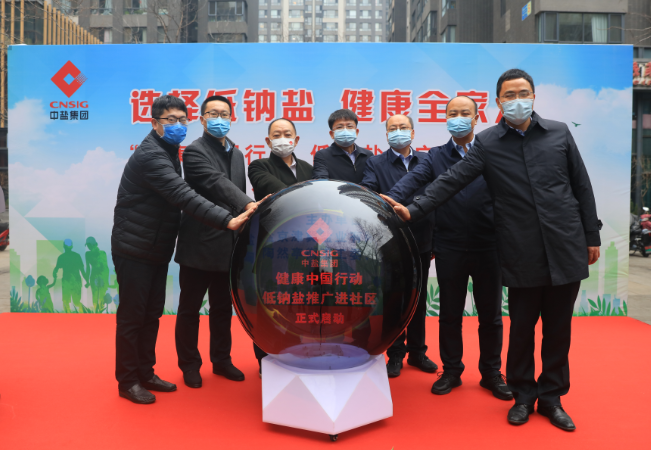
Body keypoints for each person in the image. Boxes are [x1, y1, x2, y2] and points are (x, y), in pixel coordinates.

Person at [382, 69, 601, 432]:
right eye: (509, 95)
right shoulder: (488, 143)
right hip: (519, 250)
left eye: (523, 93)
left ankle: (552, 398)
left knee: (558, 331)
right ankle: (523, 396)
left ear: (534, 95)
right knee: (522, 329)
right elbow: (450, 181)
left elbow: (582, 185)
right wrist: (412, 210)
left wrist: (591, 235)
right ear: (498, 102)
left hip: (565, 245)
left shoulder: (559, 132)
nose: (518, 100)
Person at [112, 94, 257, 405]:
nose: (177, 125)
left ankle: (145, 372)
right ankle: (127, 381)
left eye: (181, 120)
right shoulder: (154, 155)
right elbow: (183, 194)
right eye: (170, 120)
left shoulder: (169, 151)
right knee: (133, 317)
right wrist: (228, 220)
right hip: (135, 246)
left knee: (151, 315)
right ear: (154, 123)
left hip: (155, 246)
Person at [384, 98, 509, 399]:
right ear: (445, 118)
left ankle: (491, 372)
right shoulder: (436, 156)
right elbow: (411, 180)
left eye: (465, 113)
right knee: (449, 313)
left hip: (488, 244)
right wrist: (386, 200)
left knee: (490, 315)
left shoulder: (492, 151)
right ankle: (452, 370)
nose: (458, 118)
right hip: (450, 245)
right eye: (453, 113)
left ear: (476, 118)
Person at [175, 95, 265, 389]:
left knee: (223, 307)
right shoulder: (194, 151)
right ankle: (190, 364)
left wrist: (246, 212)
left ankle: (222, 360)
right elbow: (216, 183)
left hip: (228, 244)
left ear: (231, 118)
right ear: (202, 119)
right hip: (198, 243)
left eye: (224, 114)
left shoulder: (237, 154)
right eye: (213, 114)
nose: (219, 119)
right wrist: (249, 204)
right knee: (190, 309)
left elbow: (234, 189)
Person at [360, 114, 438, 378]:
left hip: (423, 237)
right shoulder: (375, 163)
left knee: (419, 299)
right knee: (394, 299)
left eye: (403, 127)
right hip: (390, 240)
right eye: (392, 128)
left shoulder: (427, 160)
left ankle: (418, 352)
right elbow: (368, 193)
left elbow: (438, 194)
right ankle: (395, 354)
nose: (398, 132)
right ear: (386, 135)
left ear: (413, 133)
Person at [248, 118, 313, 374]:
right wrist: (307, 195)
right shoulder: (258, 166)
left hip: (304, 246)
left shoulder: (309, 168)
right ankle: (266, 359)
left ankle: (297, 353)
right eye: (276, 134)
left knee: (299, 301)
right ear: (268, 140)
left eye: (287, 133)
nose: (282, 138)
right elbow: (276, 191)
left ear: (296, 139)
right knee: (270, 303)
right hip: (272, 245)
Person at [312, 109, 373, 183]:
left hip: (363, 191)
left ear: (356, 132)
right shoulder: (322, 156)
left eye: (349, 126)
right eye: (339, 127)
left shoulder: (367, 155)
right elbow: (321, 182)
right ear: (332, 134)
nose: (345, 130)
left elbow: (371, 182)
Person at [52, 239, 87, 313]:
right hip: (75, 282)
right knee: (76, 302)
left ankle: (68, 316)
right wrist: (87, 281)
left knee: (66, 301)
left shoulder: (62, 257)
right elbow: (82, 270)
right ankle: (81, 314)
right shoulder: (77, 256)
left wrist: (54, 276)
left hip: (67, 282)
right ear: (72, 246)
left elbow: (56, 269)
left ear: (64, 246)